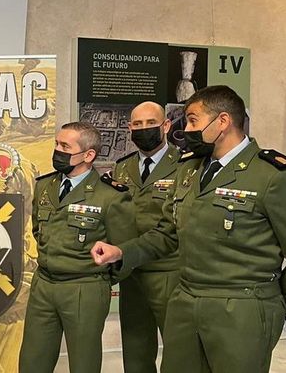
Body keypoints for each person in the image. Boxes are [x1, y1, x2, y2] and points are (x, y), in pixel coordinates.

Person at [92, 85, 286, 373]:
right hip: (185, 304)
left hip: (240, 312)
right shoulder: (190, 169)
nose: (186, 130)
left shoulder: (272, 176)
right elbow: (168, 233)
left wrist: (272, 303)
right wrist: (121, 251)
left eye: (193, 121)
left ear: (223, 122)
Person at [18, 121, 132, 373]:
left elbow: (123, 251)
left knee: (84, 364)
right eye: (56, 144)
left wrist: (96, 278)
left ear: (89, 155)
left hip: (85, 288)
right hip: (44, 285)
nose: (57, 150)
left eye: (65, 146)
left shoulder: (111, 195)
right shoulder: (44, 186)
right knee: (31, 362)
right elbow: (40, 232)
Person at [111, 101, 181, 373]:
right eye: (137, 124)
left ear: (165, 126)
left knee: (178, 350)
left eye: (150, 123)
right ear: (129, 128)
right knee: (136, 349)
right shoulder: (122, 168)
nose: (143, 129)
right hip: (132, 272)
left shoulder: (186, 166)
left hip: (169, 271)